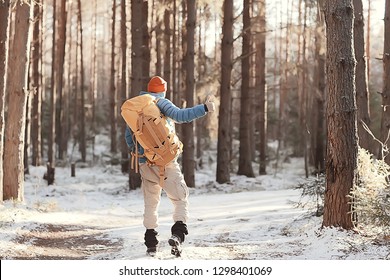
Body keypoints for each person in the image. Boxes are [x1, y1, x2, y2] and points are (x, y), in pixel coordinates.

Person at [125, 76, 215, 255]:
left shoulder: (136, 108)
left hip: (145, 164)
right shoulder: (160, 102)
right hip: (166, 163)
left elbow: (129, 138)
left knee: (151, 203)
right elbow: (181, 116)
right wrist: (204, 108)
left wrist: (144, 155)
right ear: (162, 90)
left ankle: (151, 243)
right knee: (180, 198)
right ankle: (178, 235)